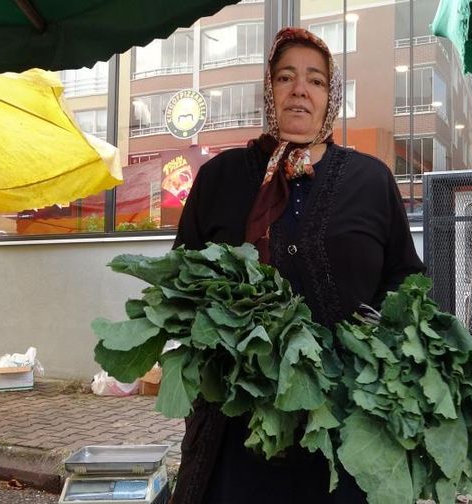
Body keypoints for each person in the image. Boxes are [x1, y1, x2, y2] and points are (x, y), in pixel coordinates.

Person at [171, 26, 424, 504]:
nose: (300, 90)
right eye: (285, 77)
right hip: (238, 421)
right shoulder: (219, 178)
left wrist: (378, 338)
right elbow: (183, 278)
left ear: (331, 95)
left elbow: (406, 277)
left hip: (350, 419)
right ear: (268, 89)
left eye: (316, 80)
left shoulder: (371, 180)